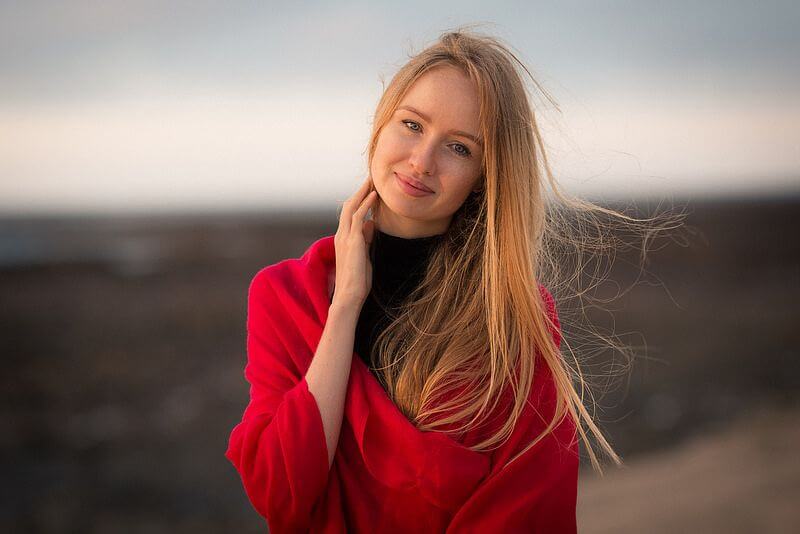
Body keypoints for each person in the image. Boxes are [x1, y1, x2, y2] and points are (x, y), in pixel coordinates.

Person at [225, 29, 639, 533]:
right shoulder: (284, 295)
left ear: (486, 175)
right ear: (381, 123)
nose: (422, 161)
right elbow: (279, 492)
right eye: (412, 124)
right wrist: (345, 306)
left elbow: (530, 507)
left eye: (459, 148)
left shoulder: (511, 313)